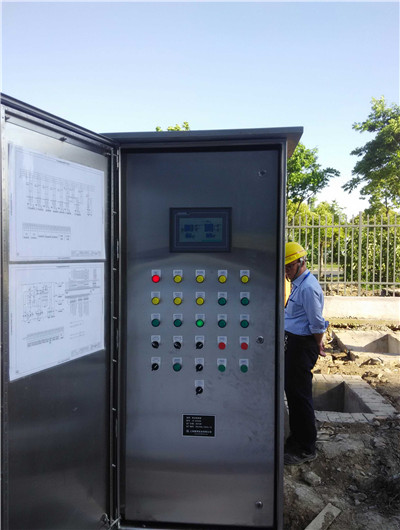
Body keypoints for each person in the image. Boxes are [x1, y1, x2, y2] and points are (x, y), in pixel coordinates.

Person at [284, 242, 328, 465]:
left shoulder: (308, 287)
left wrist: (318, 344)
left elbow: (317, 323)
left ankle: (306, 447)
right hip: (295, 343)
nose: (286, 272)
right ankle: (296, 440)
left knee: (300, 396)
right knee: (293, 393)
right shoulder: (298, 284)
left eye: (290, 267)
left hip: (303, 345)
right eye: (284, 268)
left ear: (301, 263)